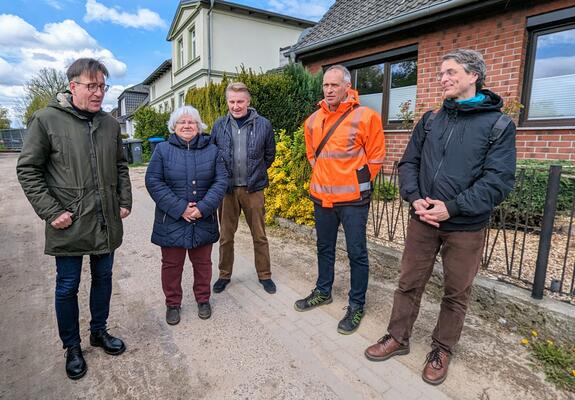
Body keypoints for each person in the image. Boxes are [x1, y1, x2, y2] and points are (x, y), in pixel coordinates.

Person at [364, 49, 516, 385]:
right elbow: (408, 164)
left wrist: (453, 206)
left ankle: (441, 348)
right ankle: (397, 337)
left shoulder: (499, 125)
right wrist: (415, 199)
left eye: (450, 72)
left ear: (473, 75)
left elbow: (498, 181)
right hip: (422, 221)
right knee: (408, 283)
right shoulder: (431, 120)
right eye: (441, 74)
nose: (443, 79)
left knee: (456, 292)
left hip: (465, 226)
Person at [16, 58, 132, 380]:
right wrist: (52, 212)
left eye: (103, 87)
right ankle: (72, 347)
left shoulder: (110, 124)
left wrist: (124, 199)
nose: (98, 93)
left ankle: (98, 331)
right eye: (91, 86)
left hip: (105, 219)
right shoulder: (46, 120)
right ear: (73, 86)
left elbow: (121, 165)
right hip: (68, 222)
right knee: (67, 286)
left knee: (104, 278)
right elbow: (28, 170)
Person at [294, 65, 385, 335]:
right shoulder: (312, 120)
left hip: (354, 200)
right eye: (325, 85)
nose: (329, 90)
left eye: (334, 85)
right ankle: (323, 291)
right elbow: (313, 156)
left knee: (357, 253)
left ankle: (356, 304)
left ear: (347, 86)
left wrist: (356, 183)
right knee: (324, 248)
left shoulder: (366, 116)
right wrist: (327, 178)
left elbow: (376, 157)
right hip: (322, 198)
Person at [145, 106, 227, 325]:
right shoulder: (162, 150)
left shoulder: (213, 150)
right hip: (171, 219)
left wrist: (202, 208)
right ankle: (172, 303)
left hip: (203, 218)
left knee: (203, 264)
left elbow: (221, 182)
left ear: (199, 126)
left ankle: (203, 299)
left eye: (192, 122)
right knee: (171, 265)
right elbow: (153, 181)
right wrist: (181, 208)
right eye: (182, 122)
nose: (187, 125)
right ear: (174, 126)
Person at [210, 82, 277, 294]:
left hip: (253, 189)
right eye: (232, 101)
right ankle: (224, 275)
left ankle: (265, 275)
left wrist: (255, 174)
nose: (236, 106)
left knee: (259, 235)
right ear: (227, 102)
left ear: (248, 101)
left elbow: (270, 155)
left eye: (240, 101)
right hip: (227, 191)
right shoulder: (219, 125)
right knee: (226, 236)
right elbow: (213, 155)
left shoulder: (263, 125)